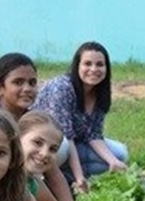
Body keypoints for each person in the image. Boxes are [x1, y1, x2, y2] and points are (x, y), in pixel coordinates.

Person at [0, 52, 79, 201]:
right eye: (18, 82)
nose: (28, 88)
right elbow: (27, 179)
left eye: (32, 82)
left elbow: (53, 174)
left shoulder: (29, 117)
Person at [33, 41, 129, 186]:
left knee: (120, 154)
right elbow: (67, 136)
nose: (93, 69)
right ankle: (55, 178)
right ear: (77, 65)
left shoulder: (99, 93)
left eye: (99, 64)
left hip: (75, 143)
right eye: (87, 64)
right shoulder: (62, 87)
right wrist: (79, 177)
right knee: (63, 147)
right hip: (45, 144)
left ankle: (65, 176)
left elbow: (94, 135)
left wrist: (113, 162)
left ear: (106, 68)